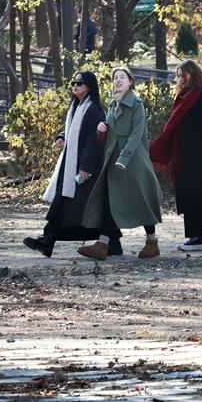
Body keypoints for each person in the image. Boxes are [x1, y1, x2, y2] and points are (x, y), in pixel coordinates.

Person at [80, 66, 163, 260]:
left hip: (133, 162)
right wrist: (100, 131)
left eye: (122, 77)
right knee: (110, 201)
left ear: (130, 82)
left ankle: (152, 242)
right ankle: (102, 244)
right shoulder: (111, 104)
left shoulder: (136, 104)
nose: (118, 81)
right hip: (112, 162)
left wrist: (124, 159)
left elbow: (136, 135)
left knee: (141, 200)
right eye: (115, 78)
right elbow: (106, 139)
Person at [23, 71, 107, 257]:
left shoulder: (94, 110)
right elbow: (71, 131)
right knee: (65, 208)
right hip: (69, 167)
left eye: (80, 83)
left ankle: (110, 240)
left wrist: (85, 167)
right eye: (73, 82)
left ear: (89, 86)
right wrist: (61, 137)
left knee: (77, 211)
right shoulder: (76, 106)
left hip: (84, 171)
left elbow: (94, 142)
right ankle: (48, 240)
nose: (75, 85)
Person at [149, 60, 202, 252]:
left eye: (183, 74)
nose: (180, 79)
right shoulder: (183, 96)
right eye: (178, 75)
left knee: (199, 193)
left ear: (193, 73)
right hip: (184, 154)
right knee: (185, 194)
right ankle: (196, 236)